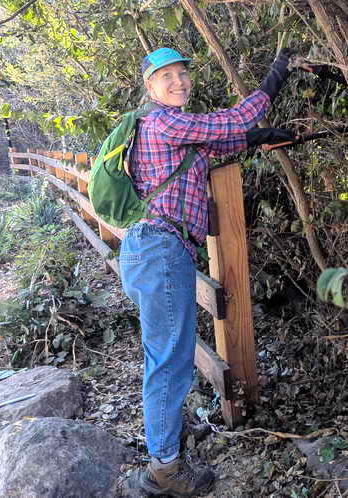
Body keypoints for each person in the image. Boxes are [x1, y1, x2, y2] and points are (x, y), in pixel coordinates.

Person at [119, 46, 295, 497]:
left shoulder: (169, 130)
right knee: (170, 362)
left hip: (153, 250)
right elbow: (232, 122)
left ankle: (165, 449)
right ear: (149, 86)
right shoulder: (163, 121)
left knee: (166, 357)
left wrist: (261, 139)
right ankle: (164, 471)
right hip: (160, 250)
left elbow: (223, 142)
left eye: (182, 73)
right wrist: (278, 73)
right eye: (167, 76)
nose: (179, 82)